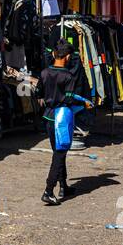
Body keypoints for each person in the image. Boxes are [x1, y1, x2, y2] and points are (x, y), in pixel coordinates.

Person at [38, 41, 91, 205]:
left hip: (48, 118)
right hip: (62, 119)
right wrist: (84, 103)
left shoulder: (45, 72)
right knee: (59, 154)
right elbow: (68, 98)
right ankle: (48, 190)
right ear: (68, 57)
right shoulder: (68, 76)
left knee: (58, 152)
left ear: (54, 54)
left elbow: (38, 93)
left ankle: (63, 186)